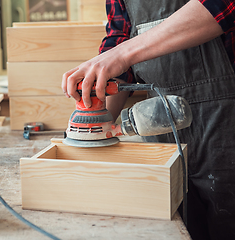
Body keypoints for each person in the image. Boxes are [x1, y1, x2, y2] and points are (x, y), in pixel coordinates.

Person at [62, 0, 235, 240]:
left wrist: (122, 54)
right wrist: (96, 119)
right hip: (158, 119)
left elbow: (223, 6)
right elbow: (119, 40)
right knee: (178, 227)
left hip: (226, 121)